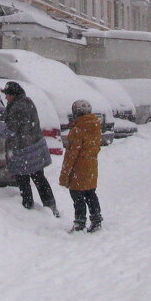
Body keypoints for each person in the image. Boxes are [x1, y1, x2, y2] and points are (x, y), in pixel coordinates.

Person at [0, 81, 60, 217]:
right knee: (39, 178)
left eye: (7, 95)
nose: (6, 98)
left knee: (23, 179)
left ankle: (27, 209)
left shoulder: (17, 107)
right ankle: (50, 207)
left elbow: (10, 130)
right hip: (34, 148)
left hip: (23, 150)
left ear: (13, 95)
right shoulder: (27, 102)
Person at [59, 99, 103, 233]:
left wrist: (65, 174)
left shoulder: (77, 130)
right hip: (91, 166)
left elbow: (71, 155)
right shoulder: (95, 126)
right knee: (91, 194)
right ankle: (96, 220)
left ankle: (79, 222)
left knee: (77, 196)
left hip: (78, 168)